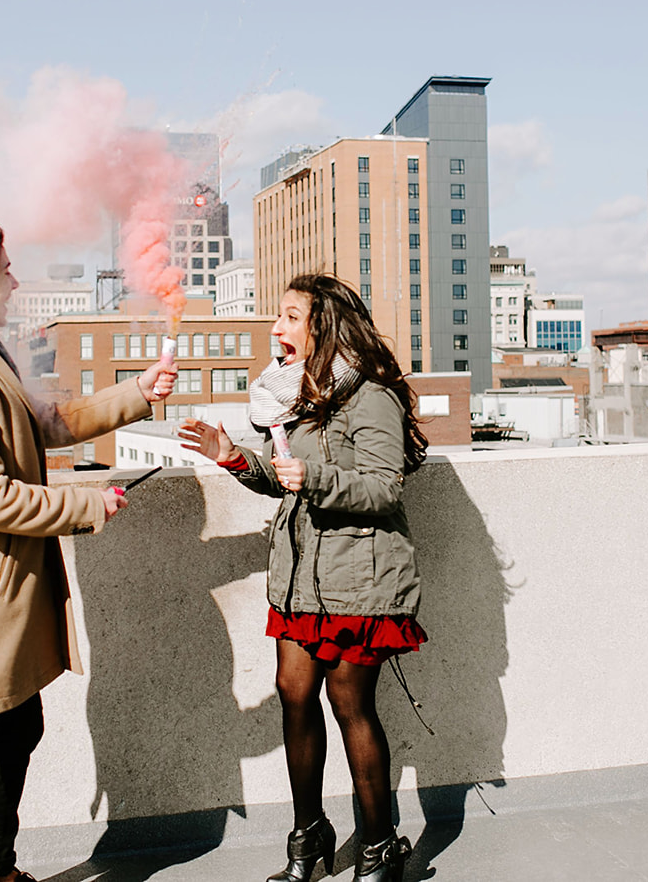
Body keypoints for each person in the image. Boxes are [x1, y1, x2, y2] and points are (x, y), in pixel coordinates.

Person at [0, 215, 176, 882]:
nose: (15, 281)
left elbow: (42, 422)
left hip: (0, 608)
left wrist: (136, 392)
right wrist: (85, 505)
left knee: (16, 736)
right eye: (6, 270)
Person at [179, 274, 429, 882]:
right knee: (295, 696)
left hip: (359, 578)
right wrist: (235, 457)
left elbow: (382, 487)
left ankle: (377, 845)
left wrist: (310, 479)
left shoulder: (369, 395)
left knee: (350, 705)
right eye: (278, 317)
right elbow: (287, 474)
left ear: (324, 325)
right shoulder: (301, 397)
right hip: (302, 579)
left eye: (290, 317)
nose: (277, 329)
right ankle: (309, 835)